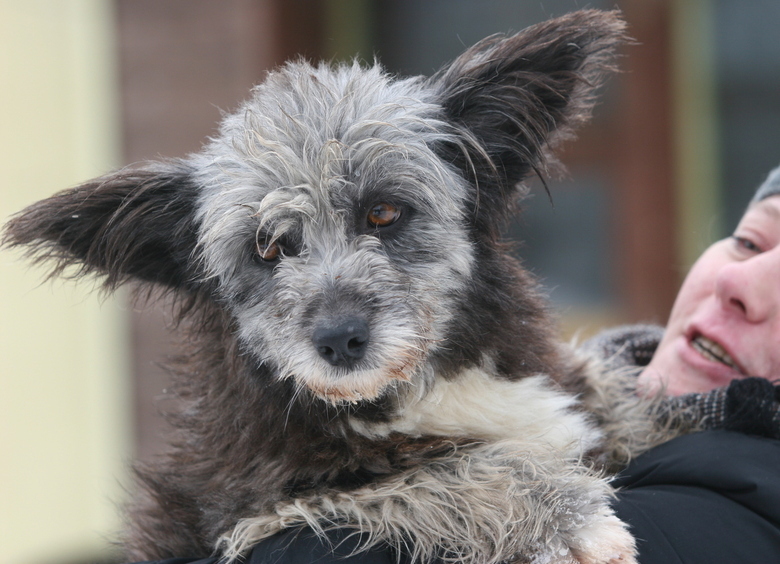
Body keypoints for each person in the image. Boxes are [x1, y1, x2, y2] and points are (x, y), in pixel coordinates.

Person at [139, 166, 780, 564]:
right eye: (750, 240)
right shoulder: (583, 385)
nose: (741, 283)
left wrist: (512, 498)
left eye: (384, 218)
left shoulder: (740, 510)